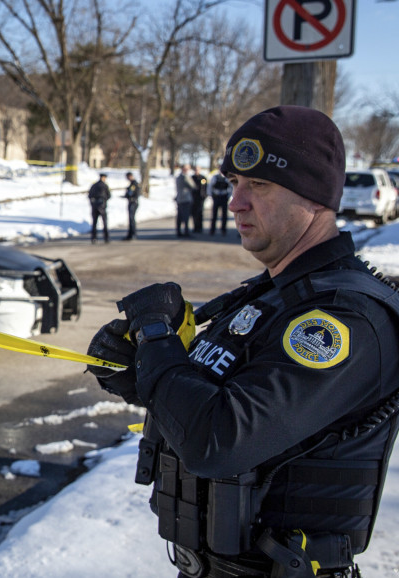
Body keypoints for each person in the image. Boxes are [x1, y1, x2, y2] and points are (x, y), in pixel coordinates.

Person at [85, 105, 399, 578]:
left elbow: (220, 438)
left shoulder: (343, 319)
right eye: (234, 183)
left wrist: (154, 337)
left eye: (260, 185)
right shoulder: (274, 294)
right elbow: (210, 393)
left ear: (314, 197)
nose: (236, 202)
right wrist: (141, 365)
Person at [87, 173, 111, 244]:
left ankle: (94, 238)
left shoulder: (94, 185)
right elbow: (109, 195)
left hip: (94, 206)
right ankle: (106, 238)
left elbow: (90, 195)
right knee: (104, 222)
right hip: (102, 206)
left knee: (94, 223)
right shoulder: (105, 185)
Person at [174, 164, 196, 237]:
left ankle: (179, 231)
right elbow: (193, 186)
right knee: (185, 216)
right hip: (186, 198)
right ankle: (186, 231)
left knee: (179, 216)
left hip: (179, 198)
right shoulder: (186, 177)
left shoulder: (178, 177)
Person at [124, 171, 141, 240]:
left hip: (133, 202)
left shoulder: (134, 184)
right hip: (132, 202)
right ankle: (130, 234)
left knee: (132, 219)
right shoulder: (132, 184)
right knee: (131, 219)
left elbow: (134, 193)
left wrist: (130, 196)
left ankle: (133, 234)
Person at [191, 167, 208, 234]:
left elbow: (205, 186)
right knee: (194, 213)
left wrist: (204, 195)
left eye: (198, 169)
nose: (196, 171)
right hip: (194, 198)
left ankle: (200, 227)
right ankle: (195, 227)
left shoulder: (203, 178)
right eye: (195, 170)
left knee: (200, 213)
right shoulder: (192, 178)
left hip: (201, 198)